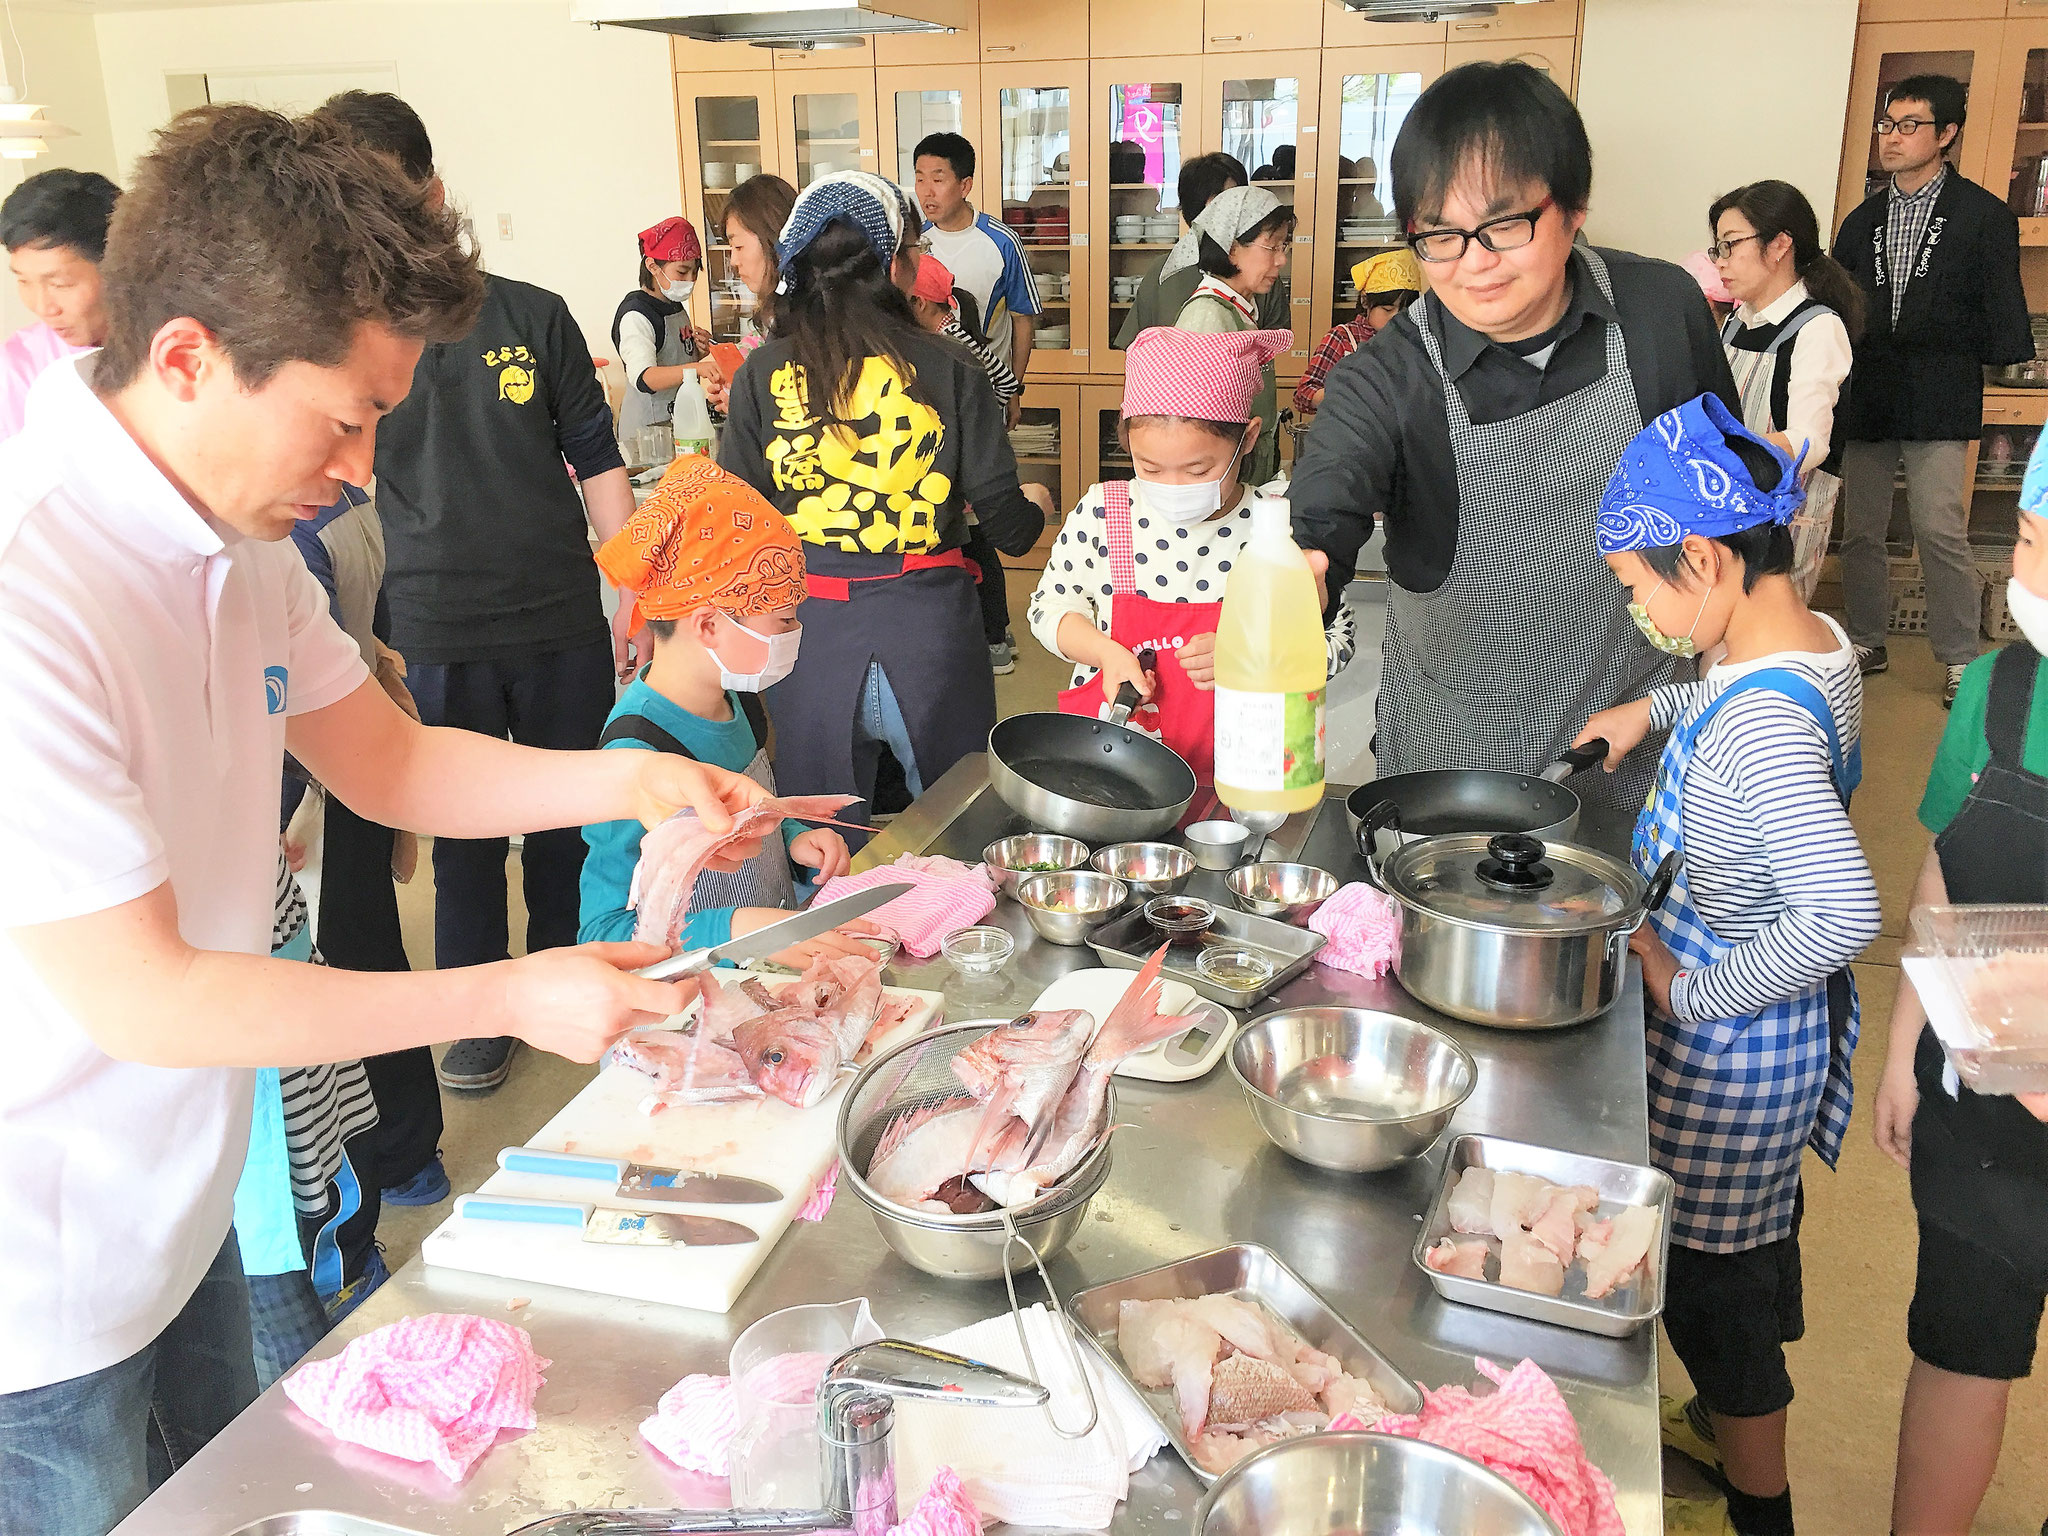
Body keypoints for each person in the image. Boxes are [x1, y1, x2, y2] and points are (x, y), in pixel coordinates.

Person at [0, 103, 760, 1536]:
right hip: (33, 1284)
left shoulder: (233, 531)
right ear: (186, 360)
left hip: (183, 1204)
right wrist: (508, 994)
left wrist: (632, 776)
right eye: (347, 419)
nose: (363, 471)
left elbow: (392, 767)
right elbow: (146, 998)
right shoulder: (33, 583)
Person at [1578, 395, 1878, 1536]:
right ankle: (1724, 1417)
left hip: (1733, 1051)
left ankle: (1763, 1510)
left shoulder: (1759, 728)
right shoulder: (1803, 642)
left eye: (1635, 588)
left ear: (1699, 555)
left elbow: (1841, 911)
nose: (1636, 607)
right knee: (1741, 1258)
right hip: (1761, 1045)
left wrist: (1680, 985)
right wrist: (1644, 708)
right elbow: (1725, 690)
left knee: (1715, 1299)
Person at [1289, 61, 1738, 824]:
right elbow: (1326, 504)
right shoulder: (1385, 379)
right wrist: (1297, 576)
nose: (1475, 263)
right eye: (1440, 234)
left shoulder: (1662, 311)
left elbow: (1727, 513)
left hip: (1638, 748)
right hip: (1450, 779)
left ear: (1573, 206)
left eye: (1504, 225)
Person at [317, 90, 643, 1094]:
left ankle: (564, 978)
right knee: (459, 845)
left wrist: (630, 591)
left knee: (563, 824)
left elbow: (596, 462)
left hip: (554, 619)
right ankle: (480, 1014)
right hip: (431, 625)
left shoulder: (531, 314)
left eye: (388, 195)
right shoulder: (334, 336)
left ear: (433, 193)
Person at [716, 171, 1048, 832]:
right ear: (897, 265)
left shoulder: (761, 374)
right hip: (931, 639)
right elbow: (1010, 531)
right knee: (958, 838)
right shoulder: (953, 366)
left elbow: (736, 527)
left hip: (807, 642)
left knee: (823, 848)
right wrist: (1035, 499)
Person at [1871, 447, 2048, 1536]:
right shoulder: (1996, 691)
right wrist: (1903, 1049)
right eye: (2028, 541)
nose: (2027, 574)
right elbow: (1943, 873)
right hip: (1985, 1096)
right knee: (1958, 1342)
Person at [1028, 326, 1356, 781]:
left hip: (1245, 771)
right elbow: (1049, 608)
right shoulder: (1107, 512)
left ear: (1248, 438)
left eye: (1198, 468)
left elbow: (1337, 640)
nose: (1172, 487)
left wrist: (1253, 657)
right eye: (1150, 467)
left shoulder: (1275, 530)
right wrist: (1104, 653)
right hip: (1119, 770)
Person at [580, 457, 871, 957]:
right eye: (782, 620)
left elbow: (753, 818)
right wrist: (734, 930)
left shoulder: (740, 703)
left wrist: (795, 840)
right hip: (689, 1004)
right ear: (709, 624)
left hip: (762, 975)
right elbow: (604, 931)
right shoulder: (634, 750)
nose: (795, 633)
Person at [1832, 73, 2032, 705]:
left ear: (1946, 134)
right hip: (1869, 387)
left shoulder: (1982, 215)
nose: (1892, 138)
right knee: (1861, 528)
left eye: (1909, 125)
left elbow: (2002, 301)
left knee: (1940, 527)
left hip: (1940, 388)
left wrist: (2002, 362)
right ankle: (1866, 638)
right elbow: (1839, 305)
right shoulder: (1861, 220)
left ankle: (1958, 657)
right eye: (1886, 125)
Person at [287, 482, 447, 1207]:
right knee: (372, 958)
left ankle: (386, 1169)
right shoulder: (341, 504)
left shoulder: (293, 531)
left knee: (344, 978)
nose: (360, 460)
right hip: (339, 772)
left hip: (314, 791)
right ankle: (410, 1156)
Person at [1709, 180, 1862, 606]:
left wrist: (1725, 456)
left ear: (1778, 246)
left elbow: (1809, 443)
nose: (1721, 261)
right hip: (1732, 509)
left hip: (1786, 521)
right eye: (1717, 248)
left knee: (1770, 645)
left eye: (1731, 245)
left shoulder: (1817, 327)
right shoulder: (1737, 322)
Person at [910, 250, 1024, 676]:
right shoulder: (950, 331)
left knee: (979, 550)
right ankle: (997, 630)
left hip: (967, 465)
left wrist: (981, 423)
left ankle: (993, 638)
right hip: (970, 457)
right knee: (977, 550)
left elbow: (1006, 381)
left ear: (919, 303)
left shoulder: (950, 342)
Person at [1168, 186, 1296, 488]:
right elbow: (1197, 434)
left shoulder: (1237, 309)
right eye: (1272, 246)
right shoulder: (1208, 317)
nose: (1281, 261)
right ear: (1230, 247)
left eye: (1284, 247)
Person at [1116, 152, 1289, 351]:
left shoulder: (1262, 273)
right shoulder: (1165, 274)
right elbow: (1134, 351)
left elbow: (1277, 349)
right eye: (1220, 205)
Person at [0, 167, 119, 438]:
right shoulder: (18, 367)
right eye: (23, 281)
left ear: (118, 265)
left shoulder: (179, 338)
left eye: (60, 284)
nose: (44, 308)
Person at [914, 131, 1041, 379]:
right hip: (928, 385)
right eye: (920, 180)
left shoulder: (1002, 241)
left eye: (938, 181)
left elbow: (1022, 320)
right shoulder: (911, 243)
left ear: (965, 185)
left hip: (987, 387)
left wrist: (1015, 386)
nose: (927, 192)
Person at [703, 173, 798, 417]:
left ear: (773, 238)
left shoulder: (806, 316)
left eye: (739, 247)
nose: (734, 261)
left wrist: (745, 403)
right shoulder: (774, 313)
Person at [613, 214, 715, 441]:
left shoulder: (674, 306)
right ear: (652, 266)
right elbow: (644, 377)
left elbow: (673, 360)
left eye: (694, 272)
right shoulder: (636, 314)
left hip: (675, 421)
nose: (689, 280)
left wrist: (698, 353)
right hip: (647, 432)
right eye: (682, 271)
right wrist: (695, 369)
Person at [1294, 248, 1421, 415]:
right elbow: (1304, 395)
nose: (1396, 319)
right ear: (1365, 300)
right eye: (1387, 309)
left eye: (1404, 312)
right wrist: (1347, 395)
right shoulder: (1342, 338)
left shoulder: (1416, 339)